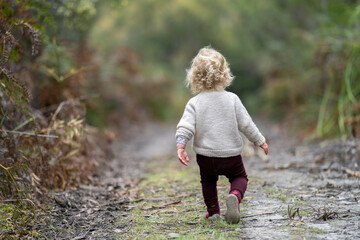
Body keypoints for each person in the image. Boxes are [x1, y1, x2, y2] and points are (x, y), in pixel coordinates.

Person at [175, 46, 268, 224]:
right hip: (230, 154)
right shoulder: (232, 99)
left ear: (194, 76)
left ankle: (213, 212)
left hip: (206, 156)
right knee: (240, 177)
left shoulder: (194, 102)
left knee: (208, 182)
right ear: (225, 74)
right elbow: (246, 124)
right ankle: (234, 195)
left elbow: (185, 127)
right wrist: (260, 141)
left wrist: (181, 146)